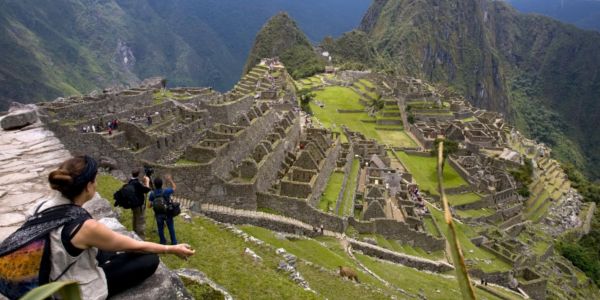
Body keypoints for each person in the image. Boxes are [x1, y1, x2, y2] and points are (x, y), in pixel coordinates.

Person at [42, 155, 194, 299]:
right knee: (149, 259)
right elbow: (135, 246)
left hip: (51, 275)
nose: (97, 184)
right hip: (74, 290)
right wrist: (171, 249)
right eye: (95, 180)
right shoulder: (85, 227)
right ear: (88, 186)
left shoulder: (41, 208)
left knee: (106, 250)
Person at [149, 175, 178, 245]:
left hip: (158, 214)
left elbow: (149, 206)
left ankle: (162, 241)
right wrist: (170, 180)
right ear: (161, 184)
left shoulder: (152, 194)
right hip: (167, 212)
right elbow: (174, 187)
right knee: (171, 227)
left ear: (155, 185)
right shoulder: (166, 191)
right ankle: (174, 242)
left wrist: (154, 204)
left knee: (160, 228)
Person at [129, 169, 151, 240]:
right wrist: (147, 181)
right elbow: (147, 190)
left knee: (135, 220)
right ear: (138, 175)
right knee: (140, 222)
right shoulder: (137, 183)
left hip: (133, 205)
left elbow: (140, 188)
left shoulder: (130, 181)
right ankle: (141, 238)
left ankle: (134, 235)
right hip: (139, 206)